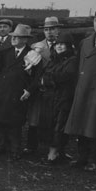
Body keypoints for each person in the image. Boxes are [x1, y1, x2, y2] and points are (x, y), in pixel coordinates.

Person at [64, 6, 96, 171]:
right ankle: (81, 157)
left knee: (95, 124)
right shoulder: (85, 42)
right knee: (81, 123)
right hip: (83, 88)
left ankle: (94, 159)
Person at [0, 24, 41, 160]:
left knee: (15, 124)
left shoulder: (32, 55)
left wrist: (29, 91)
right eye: (13, 37)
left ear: (25, 40)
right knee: (0, 122)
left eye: (17, 37)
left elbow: (37, 77)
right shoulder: (6, 53)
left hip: (18, 94)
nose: (14, 39)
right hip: (2, 92)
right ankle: (0, 146)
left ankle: (14, 150)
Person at [23, 16, 64, 155]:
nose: (49, 32)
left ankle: (52, 149)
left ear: (58, 30)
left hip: (54, 88)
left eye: (52, 29)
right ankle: (31, 146)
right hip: (38, 88)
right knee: (35, 118)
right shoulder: (37, 46)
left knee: (53, 119)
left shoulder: (63, 45)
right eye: (46, 30)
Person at [40, 33, 78, 164]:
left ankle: (53, 154)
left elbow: (66, 76)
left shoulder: (72, 60)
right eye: (57, 44)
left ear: (68, 46)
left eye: (63, 44)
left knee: (59, 125)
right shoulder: (54, 59)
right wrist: (50, 78)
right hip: (50, 98)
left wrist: (49, 79)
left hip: (63, 98)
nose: (59, 47)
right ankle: (57, 151)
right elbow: (45, 75)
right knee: (50, 124)